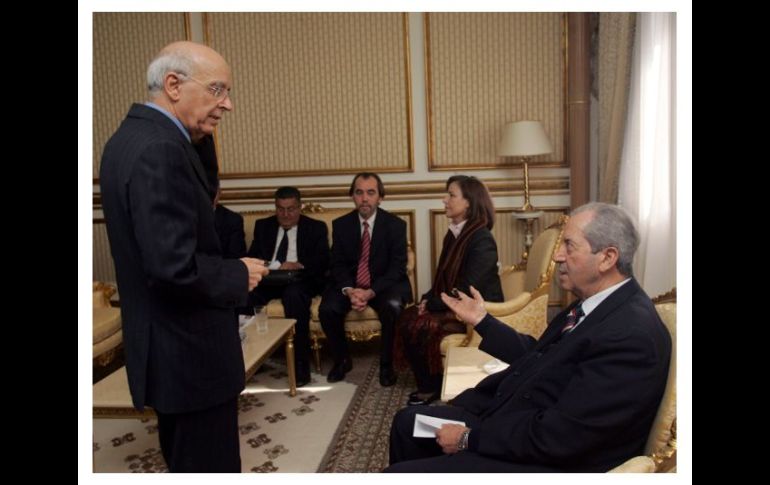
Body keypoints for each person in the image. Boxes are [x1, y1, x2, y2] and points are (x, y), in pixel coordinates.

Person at [385, 202, 672, 472]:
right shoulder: (594, 304)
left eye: (569, 245)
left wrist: (468, 438)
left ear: (607, 258)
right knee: (407, 423)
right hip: (519, 420)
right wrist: (483, 321)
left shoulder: (630, 335)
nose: (558, 256)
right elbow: (539, 355)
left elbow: (563, 435)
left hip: (548, 461)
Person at [99, 41, 268, 472]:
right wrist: (237, 273)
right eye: (217, 90)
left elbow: (201, 198)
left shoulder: (135, 137)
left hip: (172, 353)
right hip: (189, 357)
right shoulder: (159, 150)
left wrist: (199, 131)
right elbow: (173, 266)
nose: (227, 104)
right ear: (173, 85)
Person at [396, 175, 503, 406]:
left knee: (421, 324)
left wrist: (433, 303)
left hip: (477, 308)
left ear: (468, 202)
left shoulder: (481, 238)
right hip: (455, 301)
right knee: (407, 316)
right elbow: (443, 278)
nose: (444, 200)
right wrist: (426, 299)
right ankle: (430, 381)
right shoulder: (454, 234)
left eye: (451, 195)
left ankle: (430, 387)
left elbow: (468, 287)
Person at [319, 172, 413, 386]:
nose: (364, 198)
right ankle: (342, 360)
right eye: (359, 192)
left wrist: (370, 292)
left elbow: (397, 268)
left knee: (392, 307)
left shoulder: (396, 225)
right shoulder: (341, 225)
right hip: (351, 285)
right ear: (352, 196)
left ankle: (387, 365)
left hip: (383, 285)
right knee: (327, 309)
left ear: (380, 197)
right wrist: (349, 290)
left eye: (371, 193)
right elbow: (337, 264)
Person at [246, 186, 330, 386]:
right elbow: (253, 257)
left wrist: (299, 265)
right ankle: (252, 359)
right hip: (270, 279)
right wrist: (274, 265)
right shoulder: (263, 226)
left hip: (300, 279)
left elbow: (323, 262)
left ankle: (300, 366)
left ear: (299, 207)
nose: (285, 214)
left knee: (294, 295)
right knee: (245, 296)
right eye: (280, 209)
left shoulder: (316, 227)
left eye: (290, 209)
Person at [214, 187, 247, 259]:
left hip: (222, 265)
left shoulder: (233, 220)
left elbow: (236, 256)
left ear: (219, 193)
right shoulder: (189, 216)